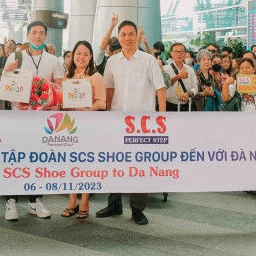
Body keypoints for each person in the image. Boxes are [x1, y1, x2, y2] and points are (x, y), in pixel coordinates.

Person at [97, 20, 165, 225]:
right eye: (123, 34)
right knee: (114, 163)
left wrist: (162, 117)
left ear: (137, 36)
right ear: (119, 37)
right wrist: (108, 114)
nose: (127, 38)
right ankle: (114, 204)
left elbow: (160, 88)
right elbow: (109, 89)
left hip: (141, 125)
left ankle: (137, 209)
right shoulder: (112, 61)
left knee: (139, 166)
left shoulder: (148, 60)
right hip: (117, 121)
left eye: (131, 34)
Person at [1, 21, 63, 221]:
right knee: (15, 158)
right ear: (27, 35)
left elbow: (59, 89)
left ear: (46, 36)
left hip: (42, 120)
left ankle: (34, 201)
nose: (37, 36)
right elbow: (6, 84)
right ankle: (11, 201)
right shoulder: (15, 56)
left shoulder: (53, 60)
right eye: (34, 32)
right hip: (18, 116)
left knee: (38, 160)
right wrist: (7, 72)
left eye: (41, 33)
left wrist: (55, 105)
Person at [60, 40, 105, 220]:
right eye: (78, 53)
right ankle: (72, 201)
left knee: (86, 166)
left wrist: (88, 109)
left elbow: (102, 102)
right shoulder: (67, 76)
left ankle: (85, 201)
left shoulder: (96, 77)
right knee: (70, 164)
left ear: (91, 57)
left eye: (86, 54)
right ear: (72, 56)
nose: (81, 57)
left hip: (88, 126)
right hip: (70, 126)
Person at [163, 42, 197, 111]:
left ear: (185, 54)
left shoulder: (190, 69)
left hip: (187, 107)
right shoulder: (165, 69)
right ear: (171, 53)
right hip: (169, 106)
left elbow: (195, 87)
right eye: (176, 52)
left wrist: (188, 94)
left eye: (182, 51)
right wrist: (178, 76)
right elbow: (163, 86)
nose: (179, 54)